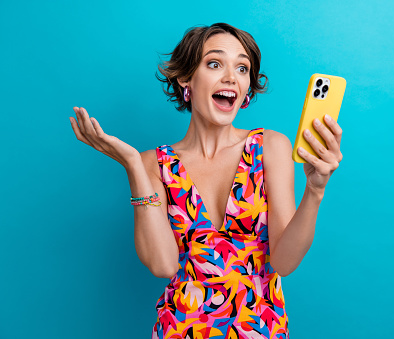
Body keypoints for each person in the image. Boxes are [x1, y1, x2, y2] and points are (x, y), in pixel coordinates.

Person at [69, 22, 343, 339]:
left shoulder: (270, 147)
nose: (231, 77)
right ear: (186, 78)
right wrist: (133, 165)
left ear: (246, 89)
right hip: (180, 329)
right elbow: (162, 265)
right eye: (215, 64)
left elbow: (283, 262)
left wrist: (315, 190)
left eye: (242, 68)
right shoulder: (152, 165)